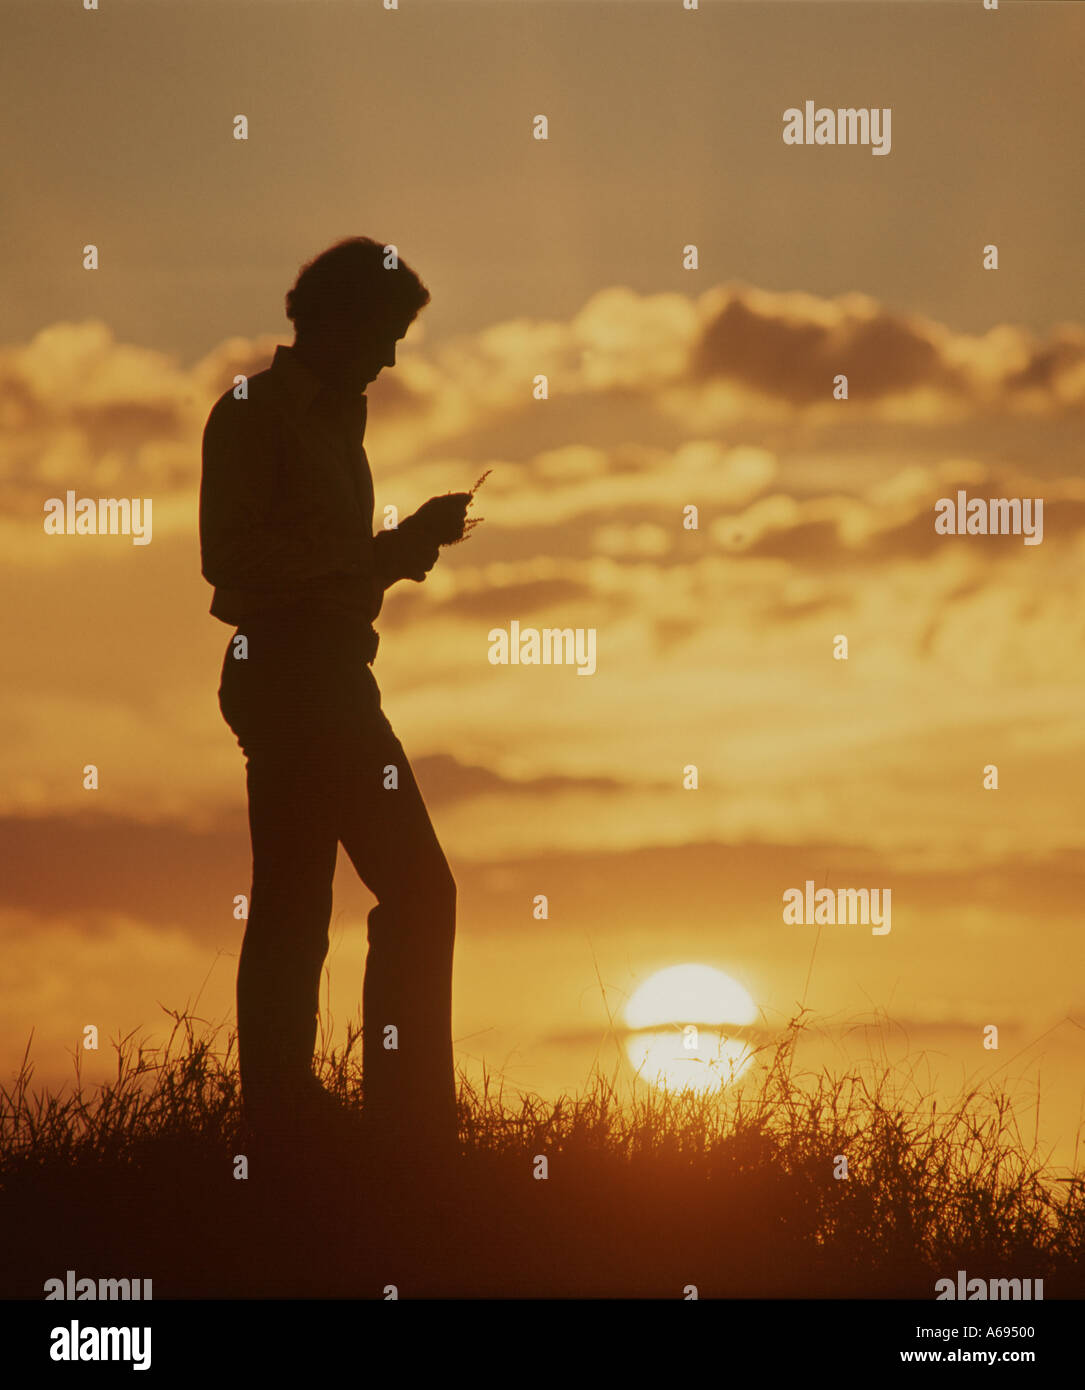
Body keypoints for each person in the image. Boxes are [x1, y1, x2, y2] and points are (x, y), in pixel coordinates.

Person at [199, 237, 469, 1166]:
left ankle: (283, 1122)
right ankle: (409, 1126)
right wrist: (374, 555)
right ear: (334, 319)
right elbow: (234, 561)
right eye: (385, 334)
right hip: (296, 679)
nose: (392, 358)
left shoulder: (337, 421)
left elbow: (326, 577)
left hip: (319, 672)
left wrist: (393, 552)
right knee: (418, 891)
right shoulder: (254, 412)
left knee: (293, 904)